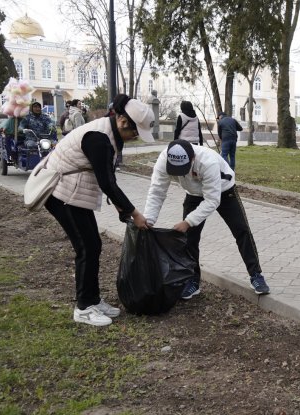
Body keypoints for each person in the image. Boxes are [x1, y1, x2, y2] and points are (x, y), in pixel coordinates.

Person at [43, 94, 155, 327]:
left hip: (74, 195)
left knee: (93, 245)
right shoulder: (99, 137)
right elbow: (108, 183)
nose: (134, 137)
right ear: (123, 120)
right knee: (87, 248)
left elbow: (107, 176)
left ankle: (92, 300)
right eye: (135, 132)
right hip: (61, 194)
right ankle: (83, 308)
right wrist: (135, 214)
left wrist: (121, 209)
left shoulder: (110, 134)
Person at [144, 139, 270, 298]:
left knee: (241, 231)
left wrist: (188, 221)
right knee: (189, 239)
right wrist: (149, 219)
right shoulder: (164, 160)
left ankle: (256, 275)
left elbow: (212, 200)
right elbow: (157, 191)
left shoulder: (207, 161)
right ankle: (193, 281)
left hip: (224, 192)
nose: (179, 173)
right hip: (194, 194)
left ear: (192, 159)